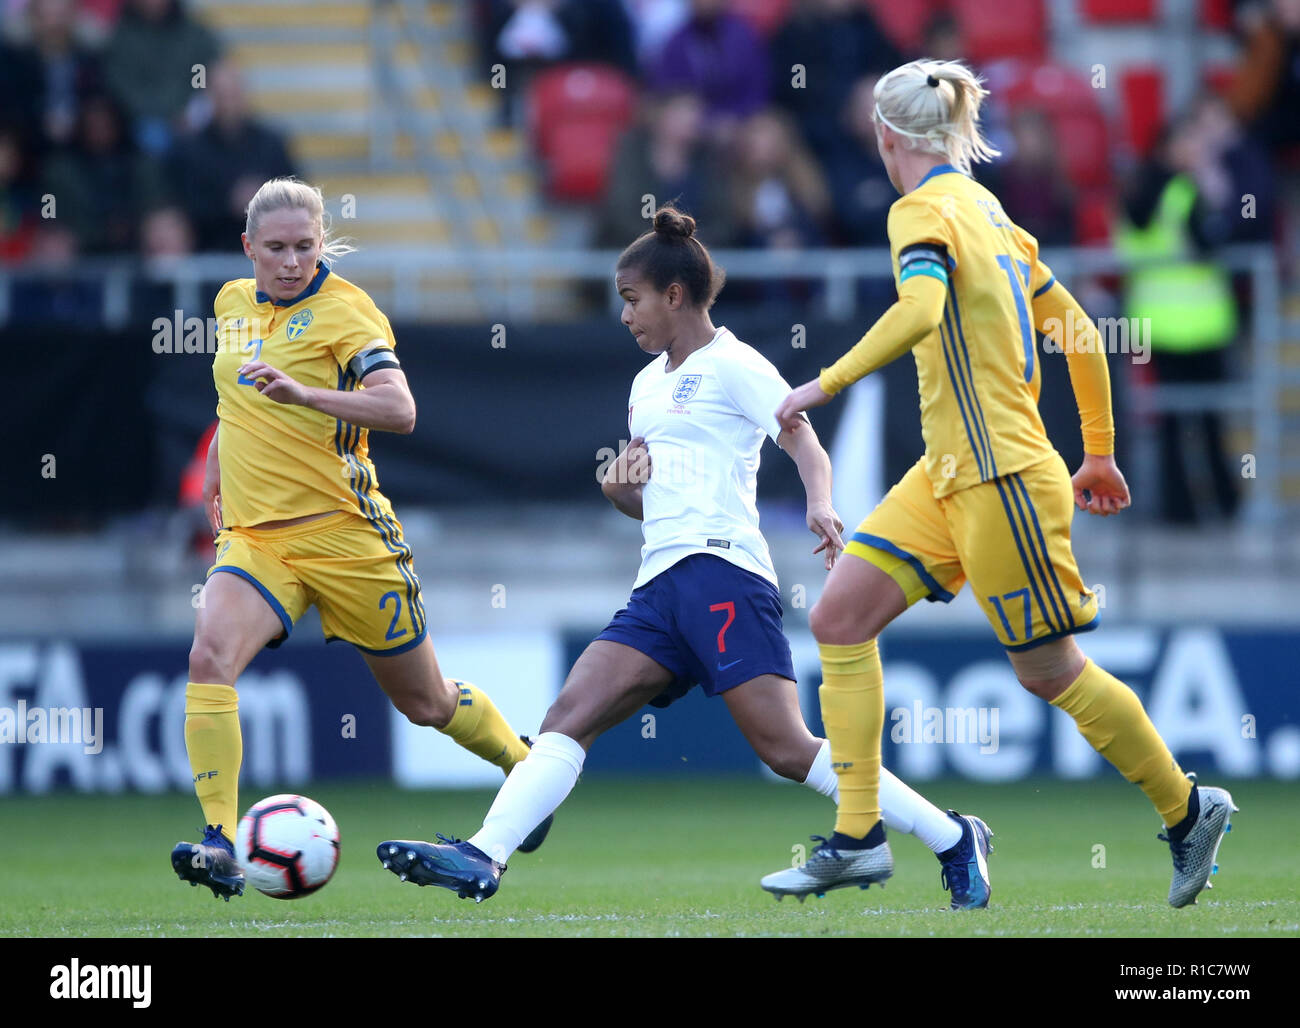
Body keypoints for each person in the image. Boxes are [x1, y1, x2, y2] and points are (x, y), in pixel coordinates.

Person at [376, 206, 995, 909]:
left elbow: (801, 437)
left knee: (788, 750)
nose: (624, 316)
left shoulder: (734, 364)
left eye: (631, 299)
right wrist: (620, 489)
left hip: (724, 572)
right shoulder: (644, 386)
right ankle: (484, 856)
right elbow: (648, 499)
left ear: (674, 296)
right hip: (660, 584)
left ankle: (952, 836)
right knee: (565, 719)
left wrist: (820, 501)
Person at [757, 60, 1236, 909]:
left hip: (1001, 475)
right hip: (949, 474)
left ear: (887, 136)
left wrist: (819, 385)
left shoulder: (921, 212)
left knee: (1050, 672)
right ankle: (860, 835)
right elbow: (1083, 332)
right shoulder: (990, 211)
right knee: (837, 618)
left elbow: (920, 311)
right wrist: (1097, 451)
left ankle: (1186, 807)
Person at [171, 177, 550, 901]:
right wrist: (218, 463)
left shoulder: (347, 310)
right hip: (258, 540)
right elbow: (236, 399)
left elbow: (400, 409)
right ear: (248, 247)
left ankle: (522, 767)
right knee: (209, 657)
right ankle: (222, 841)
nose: (290, 261)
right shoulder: (229, 304)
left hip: (347, 536)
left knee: (428, 703)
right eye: (276, 248)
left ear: (322, 244)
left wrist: (307, 392)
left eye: (305, 247)